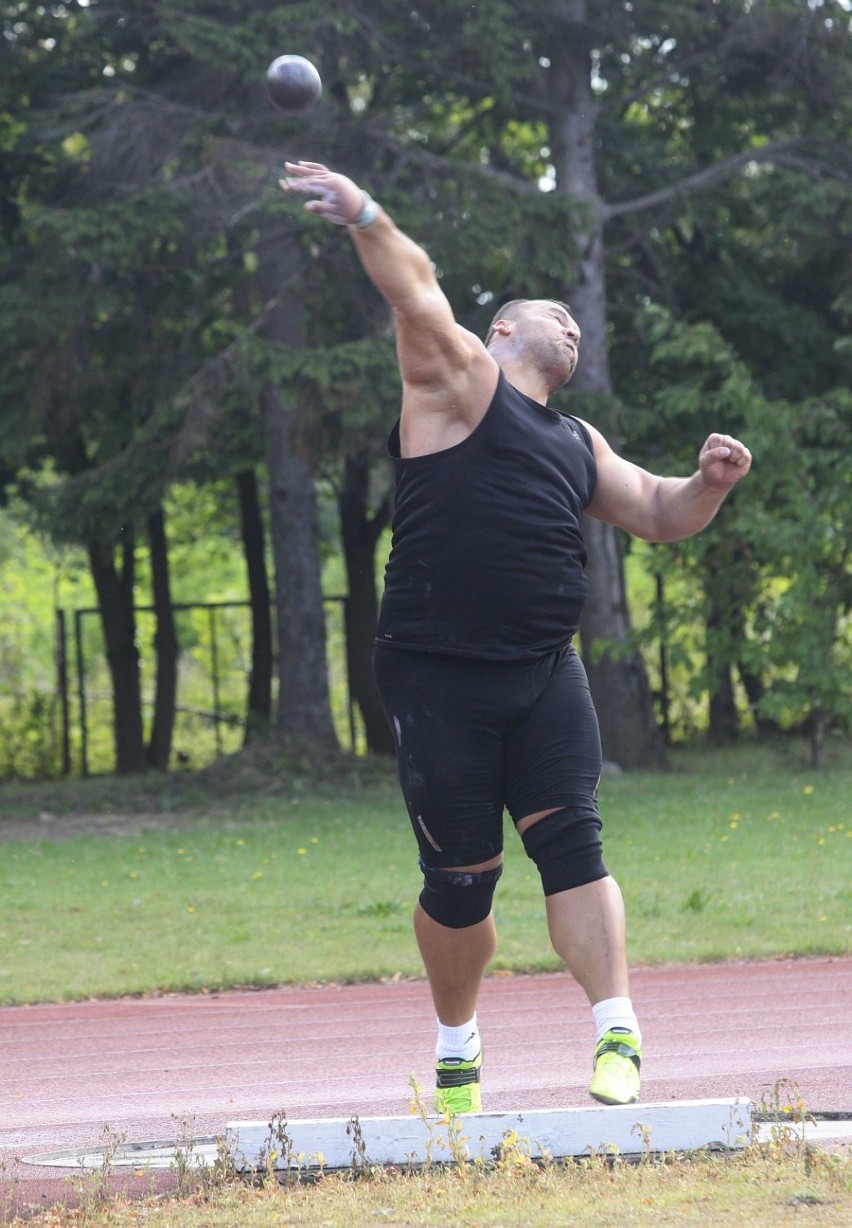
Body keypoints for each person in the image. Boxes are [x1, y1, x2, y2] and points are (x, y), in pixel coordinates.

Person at [281, 161, 753, 1113]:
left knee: (574, 842)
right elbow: (416, 287)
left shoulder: (578, 441)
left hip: (544, 671)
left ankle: (617, 1032)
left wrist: (709, 483)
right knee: (461, 883)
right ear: (502, 331)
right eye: (553, 315)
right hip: (437, 676)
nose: (572, 326)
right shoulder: (457, 385)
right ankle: (458, 1047)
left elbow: (659, 512)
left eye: (578, 324)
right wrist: (367, 210)